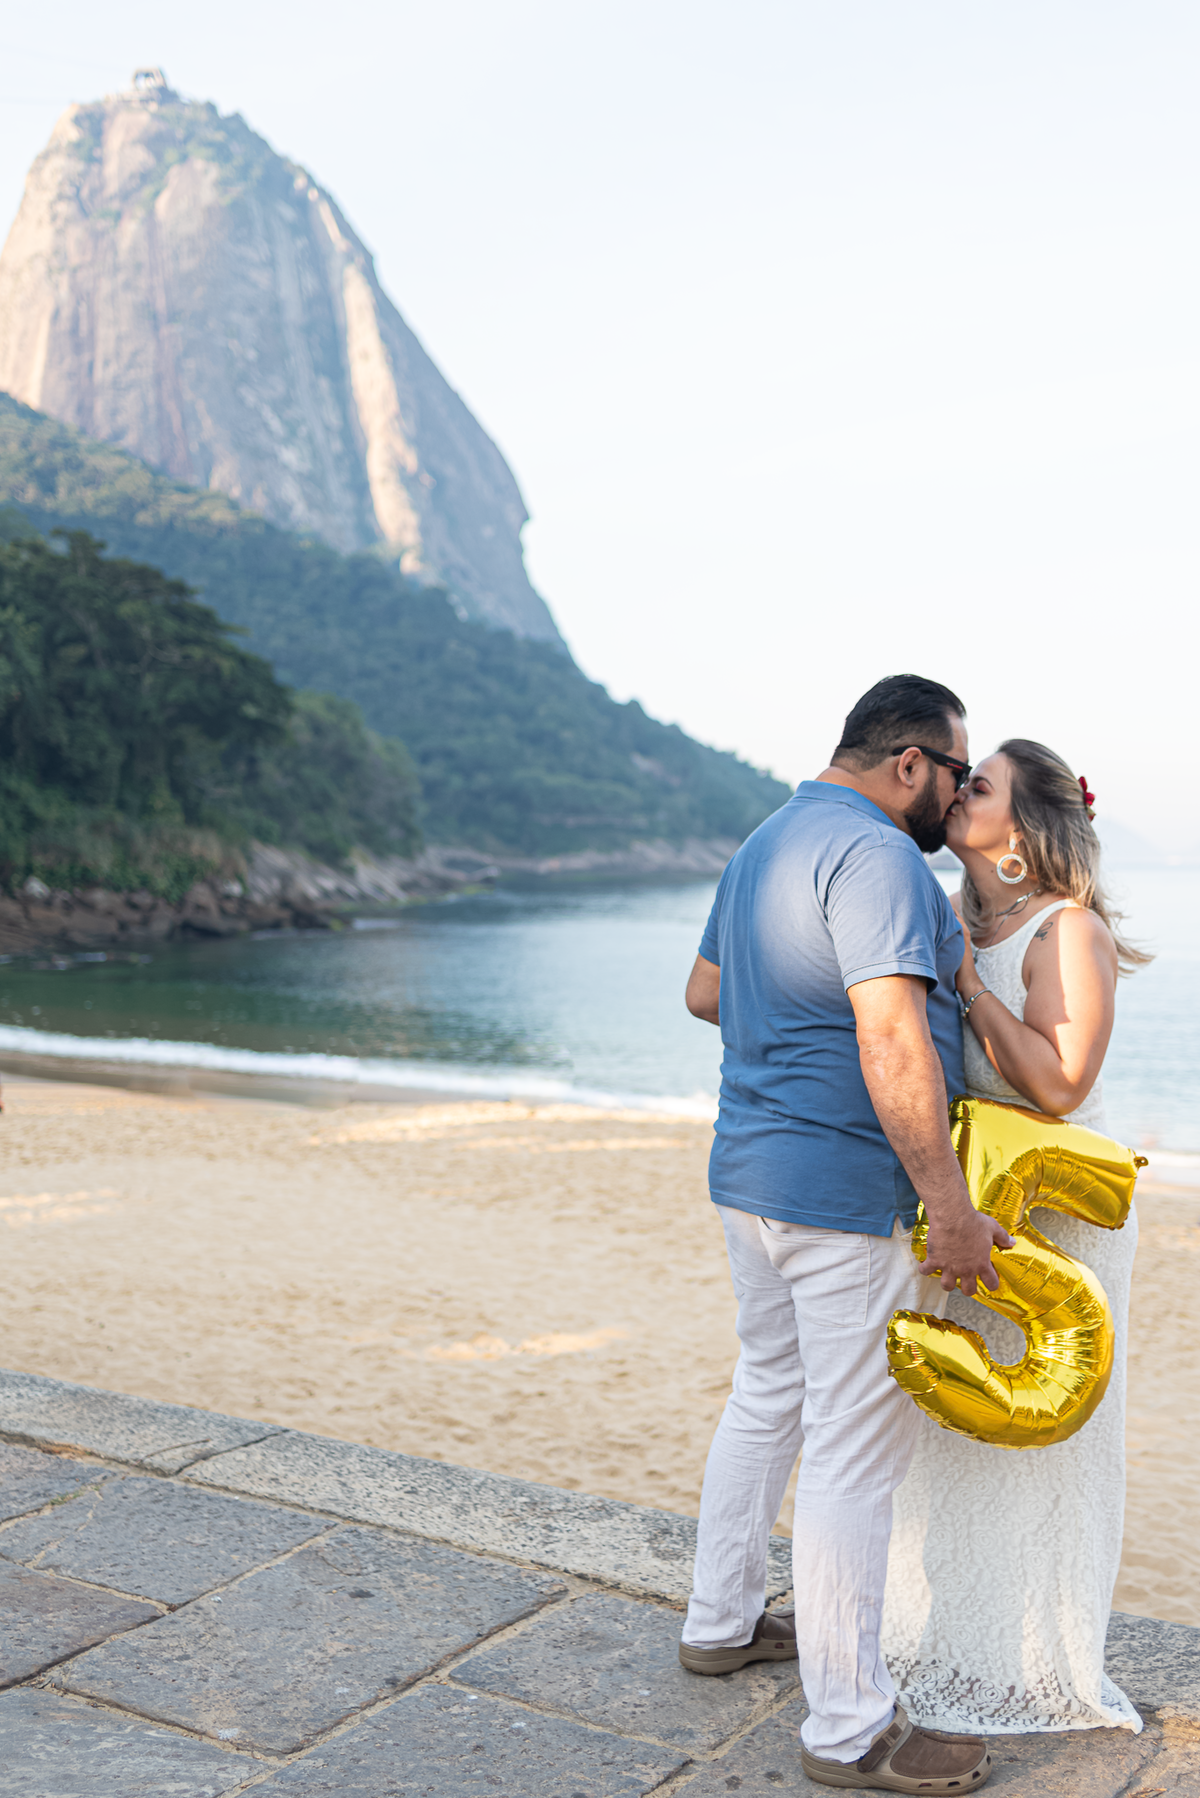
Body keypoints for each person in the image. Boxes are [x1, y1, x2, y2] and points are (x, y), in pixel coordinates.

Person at [679, 674, 1006, 1793]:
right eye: (957, 774)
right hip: (846, 1193)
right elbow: (893, 1041)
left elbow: (706, 992)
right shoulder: (876, 857)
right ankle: (851, 1730)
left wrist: (796, 1012)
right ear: (910, 763)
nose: (957, 799)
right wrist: (951, 1205)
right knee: (854, 1453)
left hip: (751, 1174)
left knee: (767, 1392)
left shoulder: (767, 839)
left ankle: (720, 1621)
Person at [882, 740, 1151, 1736]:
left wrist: (971, 985)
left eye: (980, 784)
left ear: (1024, 828)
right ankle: (933, 1638)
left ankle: (1027, 1664)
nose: (958, 792)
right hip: (968, 1199)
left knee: (1036, 1452)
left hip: (1049, 1221)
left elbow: (1062, 1083)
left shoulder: (1064, 929)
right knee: (948, 1438)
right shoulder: (950, 914)